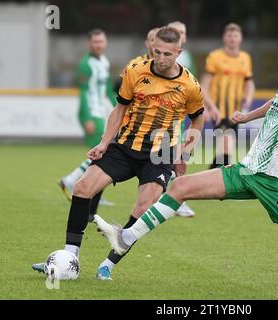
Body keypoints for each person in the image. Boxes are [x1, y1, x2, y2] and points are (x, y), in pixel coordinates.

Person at [95, 30, 278, 291]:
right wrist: (248, 116)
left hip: (277, 184)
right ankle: (125, 237)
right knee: (180, 187)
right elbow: (277, 103)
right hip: (246, 170)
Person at [32, 27, 205, 281]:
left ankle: (108, 264)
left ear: (179, 52)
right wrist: (104, 143)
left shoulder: (190, 85)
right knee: (82, 187)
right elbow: (119, 110)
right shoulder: (135, 71)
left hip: (159, 155)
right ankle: (70, 258)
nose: (160, 57)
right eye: (156, 51)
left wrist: (185, 154)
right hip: (124, 148)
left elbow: (198, 121)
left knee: (143, 208)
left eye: (167, 53)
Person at [59, 29, 116, 208]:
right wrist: (87, 118)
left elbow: (107, 90)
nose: (98, 45)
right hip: (91, 114)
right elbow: (83, 92)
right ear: (89, 44)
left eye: (101, 41)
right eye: (95, 42)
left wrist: (121, 107)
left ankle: (72, 181)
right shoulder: (85, 64)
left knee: (102, 153)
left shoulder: (104, 62)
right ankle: (81, 187)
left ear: (105, 43)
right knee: (103, 152)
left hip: (100, 113)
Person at [201, 23, 255, 169]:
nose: (232, 39)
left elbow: (249, 83)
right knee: (226, 147)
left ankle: (208, 182)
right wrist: (208, 106)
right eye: (229, 35)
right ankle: (214, 184)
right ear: (224, 38)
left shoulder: (245, 58)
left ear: (240, 38)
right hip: (219, 111)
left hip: (236, 112)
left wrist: (247, 102)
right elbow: (204, 85)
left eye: (235, 35)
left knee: (224, 151)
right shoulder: (215, 57)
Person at [166, 21, 198, 217]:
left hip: (180, 113)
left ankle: (176, 198)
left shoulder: (186, 57)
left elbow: (192, 83)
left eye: (182, 32)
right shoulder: (163, 56)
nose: (180, 34)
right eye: (176, 31)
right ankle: (177, 200)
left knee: (177, 154)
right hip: (165, 113)